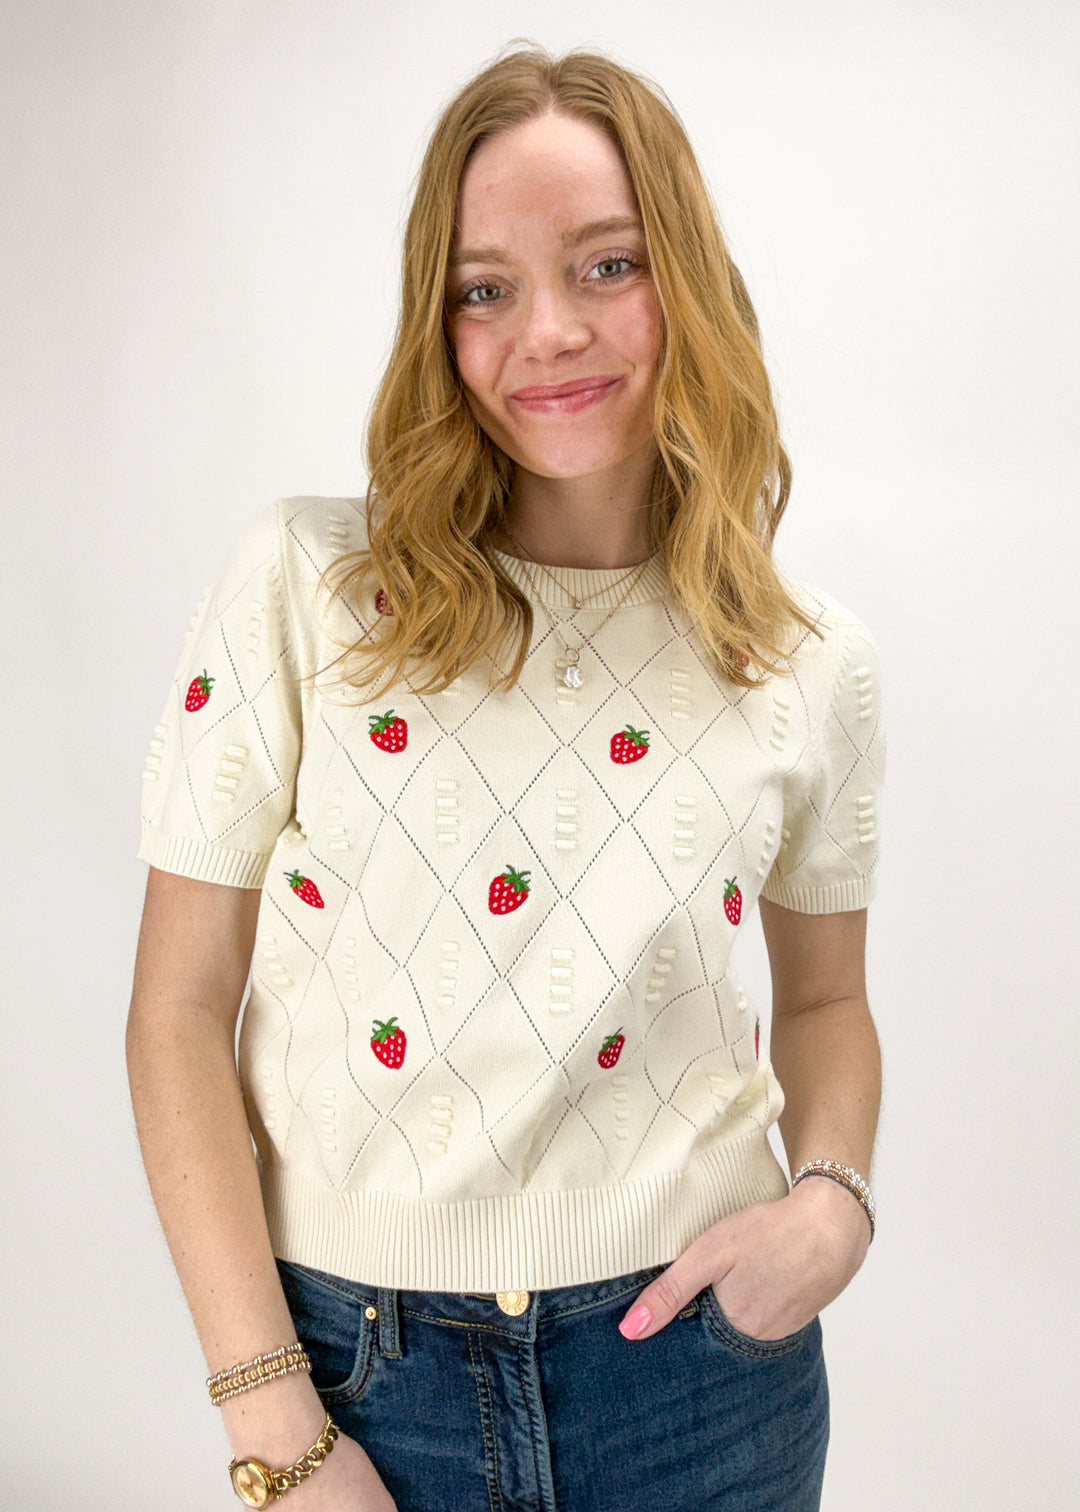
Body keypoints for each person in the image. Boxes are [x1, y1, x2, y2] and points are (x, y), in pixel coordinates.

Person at [126, 38, 885, 1512]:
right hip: (361, 1379)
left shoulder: (808, 659)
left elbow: (827, 1001)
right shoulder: (306, 589)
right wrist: (276, 1426)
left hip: (705, 1381)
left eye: (609, 265)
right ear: (441, 321)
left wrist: (833, 1205)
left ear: (689, 284)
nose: (550, 330)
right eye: (487, 288)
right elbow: (176, 1011)